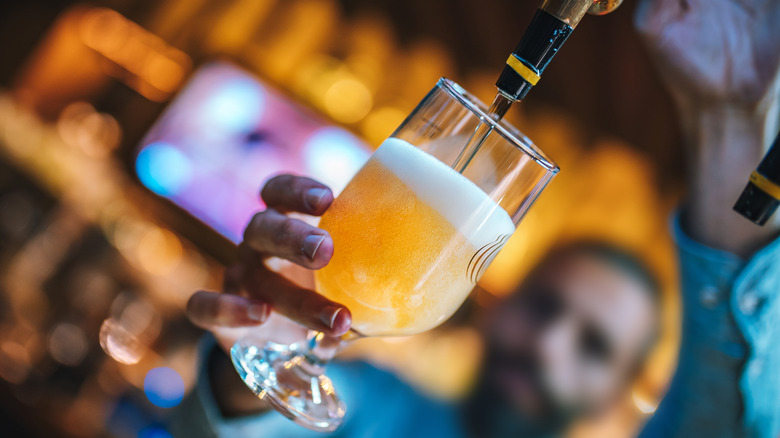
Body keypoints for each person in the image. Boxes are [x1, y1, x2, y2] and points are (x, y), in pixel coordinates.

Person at [169, 0, 780, 436]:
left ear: (621, 387)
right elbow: (233, 431)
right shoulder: (388, 411)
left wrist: (730, 121)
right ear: (497, 297)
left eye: (593, 346)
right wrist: (247, 366)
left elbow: (717, 413)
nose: (548, 344)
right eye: (544, 306)